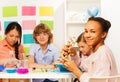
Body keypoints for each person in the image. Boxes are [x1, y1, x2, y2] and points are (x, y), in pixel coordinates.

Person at [61, 17, 118, 82]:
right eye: (86, 31)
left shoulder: (102, 53)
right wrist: (73, 54)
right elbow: (82, 66)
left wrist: (75, 70)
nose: (87, 35)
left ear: (103, 34)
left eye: (93, 32)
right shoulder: (96, 52)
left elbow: (98, 81)